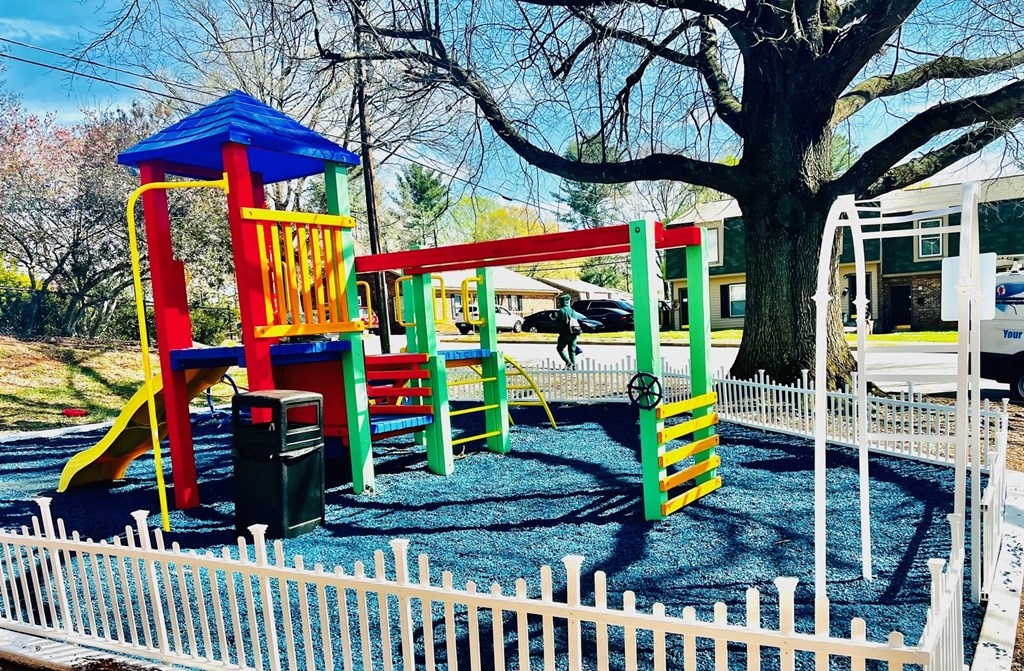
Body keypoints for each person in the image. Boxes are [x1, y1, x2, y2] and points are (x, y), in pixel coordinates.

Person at [555, 294, 586, 370]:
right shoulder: (573, 311)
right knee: (572, 350)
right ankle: (574, 365)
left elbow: (558, 323)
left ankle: (568, 362)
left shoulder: (561, 311)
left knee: (560, 348)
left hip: (565, 334)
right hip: (574, 333)